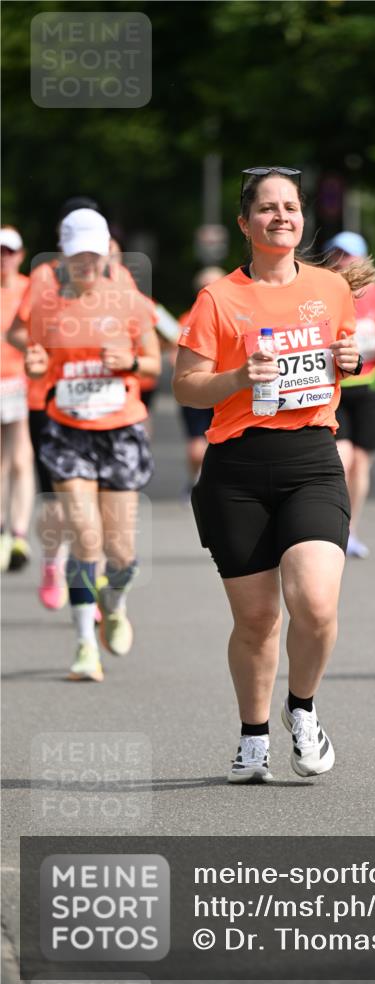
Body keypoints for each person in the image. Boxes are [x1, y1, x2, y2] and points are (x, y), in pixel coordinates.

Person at [173, 166, 375, 782]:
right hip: (236, 469)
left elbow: (344, 363)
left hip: (311, 459)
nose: (281, 216)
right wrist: (238, 378)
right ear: (246, 222)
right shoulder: (220, 298)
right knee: (257, 620)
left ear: (302, 218)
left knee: (314, 604)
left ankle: (303, 708)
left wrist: (352, 360)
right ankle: (253, 737)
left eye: (290, 207)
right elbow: (185, 385)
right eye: (267, 208)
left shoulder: (330, 288)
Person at [24, 208, 161, 681]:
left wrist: (129, 362)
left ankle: (115, 602)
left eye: (93, 253)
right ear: (63, 254)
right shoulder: (45, 304)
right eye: (77, 254)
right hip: (68, 431)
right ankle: (85, 645)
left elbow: (153, 365)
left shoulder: (129, 301)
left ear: (106, 253)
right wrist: (38, 367)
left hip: (120, 431)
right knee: (85, 539)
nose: (86, 262)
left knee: (121, 556)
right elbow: (37, 361)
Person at [7, 197, 104, 609]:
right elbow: (17, 333)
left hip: (104, 405)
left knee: (96, 498)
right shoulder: (44, 277)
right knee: (58, 496)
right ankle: (53, 559)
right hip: (47, 403)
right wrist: (41, 352)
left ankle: (91, 580)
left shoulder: (114, 277)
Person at [324, 232, 375, 559]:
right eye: (338, 255)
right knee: (341, 460)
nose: (345, 261)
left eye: (351, 255)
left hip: (370, 388)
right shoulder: (323, 295)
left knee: (360, 464)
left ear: (363, 259)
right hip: (336, 389)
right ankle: (333, 527)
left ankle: (351, 531)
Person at [0, 227, 33, 572]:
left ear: (20, 255)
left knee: (22, 458)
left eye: (9, 252)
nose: (3, 258)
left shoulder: (29, 290)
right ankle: (2, 531)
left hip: (21, 381)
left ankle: (19, 531)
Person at [177, 267, 226, 494]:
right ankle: (196, 480)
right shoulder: (189, 318)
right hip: (200, 387)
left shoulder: (236, 314)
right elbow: (177, 359)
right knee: (197, 446)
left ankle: (208, 483)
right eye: (205, 287)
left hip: (228, 390)